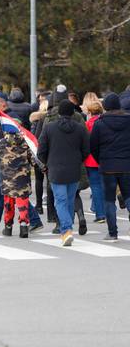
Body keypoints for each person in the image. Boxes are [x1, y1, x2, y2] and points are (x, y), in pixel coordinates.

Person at [0, 96, 44, 233]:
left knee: (5, 195)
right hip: (17, 172)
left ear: (3, 106)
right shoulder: (3, 120)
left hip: (7, 171)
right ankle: (30, 221)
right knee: (19, 196)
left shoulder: (9, 120)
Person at [38, 100, 90, 245]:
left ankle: (66, 230)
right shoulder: (80, 128)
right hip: (74, 169)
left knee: (60, 201)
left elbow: (41, 150)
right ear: (73, 113)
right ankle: (67, 228)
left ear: (59, 112)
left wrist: (47, 163)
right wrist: (79, 160)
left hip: (55, 168)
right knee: (69, 199)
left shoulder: (49, 128)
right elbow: (86, 149)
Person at [90, 93, 130, 242]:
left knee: (109, 200)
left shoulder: (100, 123)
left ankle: (113, 233)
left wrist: (101, 160)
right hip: (127, 165)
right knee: (128, 196)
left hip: (107, 166)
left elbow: (93, 145)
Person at [0, 124, 34, 238]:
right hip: (23, 178)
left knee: (8, 203)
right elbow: (33, 160)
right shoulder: (25, 142)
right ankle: (24, 225)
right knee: (22, 202)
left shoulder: (1, 143)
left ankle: (8, 226)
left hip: (7, 178)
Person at [82, 94, 106, 224]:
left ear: (90, 112)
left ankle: (100, 214)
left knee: (95, 187)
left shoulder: (87, 124)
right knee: (104, 186)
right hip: (105, 158)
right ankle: (103, 210)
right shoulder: (105, 123)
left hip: (91, 159)